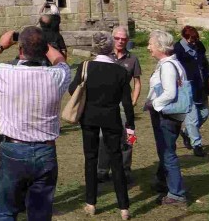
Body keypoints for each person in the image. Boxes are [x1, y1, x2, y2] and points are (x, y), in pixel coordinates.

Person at [0, 27, 70, 221]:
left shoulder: (6, 73)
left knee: (6, 211)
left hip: (13, 149)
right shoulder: (57, 76)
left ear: (20, 51)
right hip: (45, 150)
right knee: (40, 214)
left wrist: (1, 45)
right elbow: (61, 61)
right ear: (45, 49)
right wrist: (45, 46)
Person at [70, 32, 134, 220]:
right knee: (116, 161)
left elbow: (73, 89)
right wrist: (130, 124)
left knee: (91, 159)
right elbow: (127, 102)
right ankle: (124, 207)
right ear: (111, 48)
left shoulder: (85, 66)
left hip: (89, 117)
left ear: (94, 47)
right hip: (111, 117)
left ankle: (91, 203)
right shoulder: (120, 71)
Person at [144, 30, 188, 206]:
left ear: (160, 47)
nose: (148, 47)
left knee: (167, 152)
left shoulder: (168, 66)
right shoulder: (170, 63)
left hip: (166, 115)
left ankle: (176, 193)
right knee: (165, 150)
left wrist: (154, 103)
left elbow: (170, 92)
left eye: (151, 44)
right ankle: (162, 181)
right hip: (171, 115)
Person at [97, 25, 142, 184]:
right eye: (117, 38)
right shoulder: (105, 57)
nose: (120, 41)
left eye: (124, 39)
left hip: (125, 104)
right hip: (107, 103)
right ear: (112, 38)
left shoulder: (132, 59)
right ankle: (102, 170)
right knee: (104, 137)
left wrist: (134, 101)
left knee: (128, 137)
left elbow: (137, 82)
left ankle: (125, 169)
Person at [174, 25, 209, 157]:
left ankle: (186, 132)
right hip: (187, 86)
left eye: (195, 39)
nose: (194, 42)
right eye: (191, 40)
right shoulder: (177, 49)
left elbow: (205, 63)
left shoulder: (199, 46)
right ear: (184, 37)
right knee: (193, 118)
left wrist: (208, 78)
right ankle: (197, 145)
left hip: (201, 85)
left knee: (205, 113)